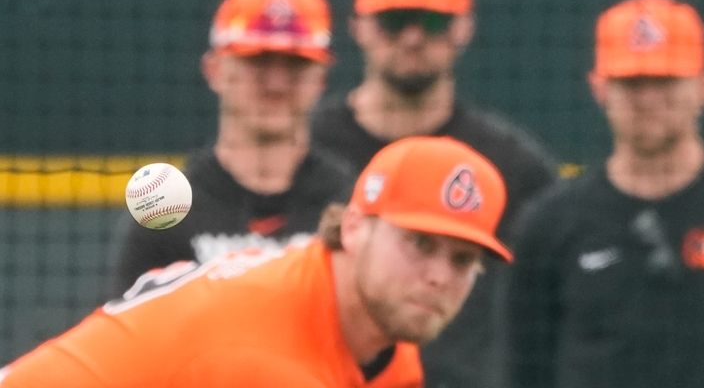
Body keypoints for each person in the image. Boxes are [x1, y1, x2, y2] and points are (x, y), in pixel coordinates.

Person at [0, 136, 512, 387]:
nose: (439, 275)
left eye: (464, 259)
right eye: (419, 244)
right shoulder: (263, 352)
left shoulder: (382, 345)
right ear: (354, 228)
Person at [311, 0, 556, 385]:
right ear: (359, 24)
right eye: (394, 19)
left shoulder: (515, 168)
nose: (412, 37)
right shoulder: (309, 153)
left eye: (432, 20)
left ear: (464, 26)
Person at [510, 0, 704, 388]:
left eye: (665, 80)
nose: (648, 99)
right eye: (631, 82)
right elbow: (523, 371)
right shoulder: (549, 225)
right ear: (599, 89)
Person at [109, 0, 353, 296]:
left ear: (321, 79)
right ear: (214, 70)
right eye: (258, 61)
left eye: (296, 63)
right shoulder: (166, 210)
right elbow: (132, 337)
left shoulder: (350, 202)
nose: (277, 84)